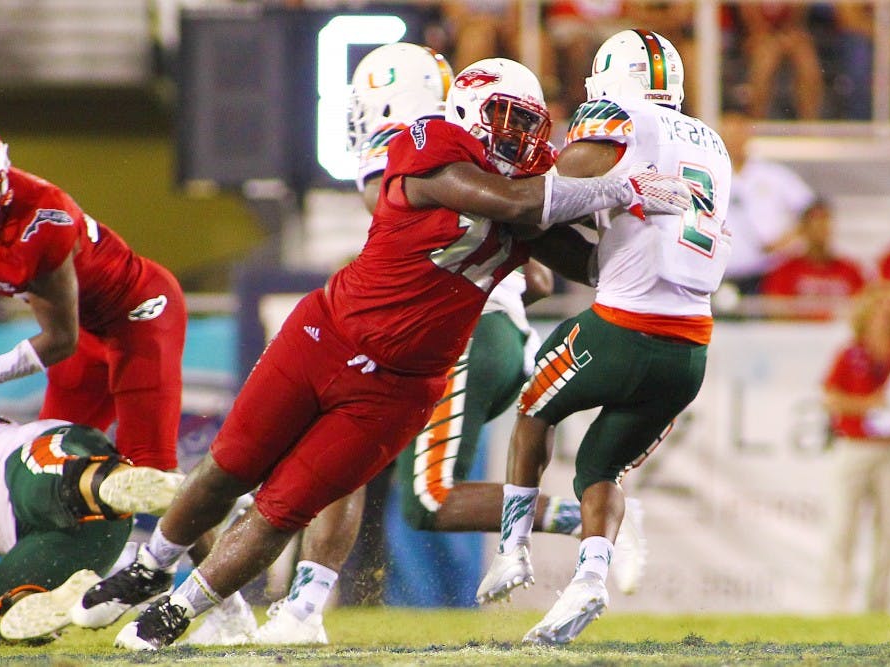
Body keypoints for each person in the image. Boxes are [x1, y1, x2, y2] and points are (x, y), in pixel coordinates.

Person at [70, 54, 692, 651]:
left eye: (526, 123)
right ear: (465, 111)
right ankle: (150, 565)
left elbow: (584, 266)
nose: (512, 135)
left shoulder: (531, 191)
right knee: (231, 465)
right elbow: (517, 205)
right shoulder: (431, 143)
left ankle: (180, 610)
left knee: (284, 508)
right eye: (501, 116)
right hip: (325, 338)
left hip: (399, 388)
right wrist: (624, 185)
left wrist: (671, 249)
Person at [255, 44, 643, 646]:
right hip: (487, 334)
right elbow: (539, 277)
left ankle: (303, 608)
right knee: (361, 469)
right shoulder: (477, 150)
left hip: (460, 339)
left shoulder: (415, 154)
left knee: (417, 492)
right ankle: (304, 608)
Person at [0, 117, 258, 643]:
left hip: (137, 316)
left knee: (151, 476)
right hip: (86, 334)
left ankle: (226, 603)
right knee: (52, 469)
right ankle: (53, 590)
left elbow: (58, 339)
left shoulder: (43, 217)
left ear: (3, 177)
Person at [476, 29, 731, 645]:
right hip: (691, 350)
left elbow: (552, 193)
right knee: (600, 465)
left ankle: (512, 550)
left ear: (614, 78)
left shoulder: (622, 115)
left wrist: (517, 189)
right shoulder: (713, 142)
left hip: (621, 329)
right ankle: (591, 578)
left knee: (536, 406)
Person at [0, 402, 184, 647]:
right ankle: (51, 600)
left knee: (35, 492)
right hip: (80, 542)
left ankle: (123, 484)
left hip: (53, 459)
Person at [822, 280, 890, 613]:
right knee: (843, 527)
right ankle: (837, 605)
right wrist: (871, 403)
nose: (884, 317)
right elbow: (831, 399)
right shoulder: (850, 354)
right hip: (856, 447)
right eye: (879, 309)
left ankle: (879, 606)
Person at [719, 109, 817, 296]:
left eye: (738, 133)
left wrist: (784, 241)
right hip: (719, 272)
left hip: (765, 272)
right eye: (728, 134)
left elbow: (811, 210)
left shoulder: (773, 174)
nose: (733, 140)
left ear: (748, 134)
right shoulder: (710, 175)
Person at [759, 200, 866, 318]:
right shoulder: (784, 271)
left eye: (824, 223)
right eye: (815, 224)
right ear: (803, 229)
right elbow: (777, 312)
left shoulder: (851, 270)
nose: (820, 230)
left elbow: (863, 308)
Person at [834, 3, 890, 120]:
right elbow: (848, 17)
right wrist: (883, 38)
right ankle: (860, 123)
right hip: (865, 34)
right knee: (858, 55)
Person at [738, 2, 824, 119]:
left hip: (788, 33)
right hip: (759, 35)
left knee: (808, 65)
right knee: (765, 64)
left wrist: (785, 37)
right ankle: (757, 121)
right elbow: (753, 21)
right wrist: (770, 39)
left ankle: (809, 124)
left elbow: (796, 21)